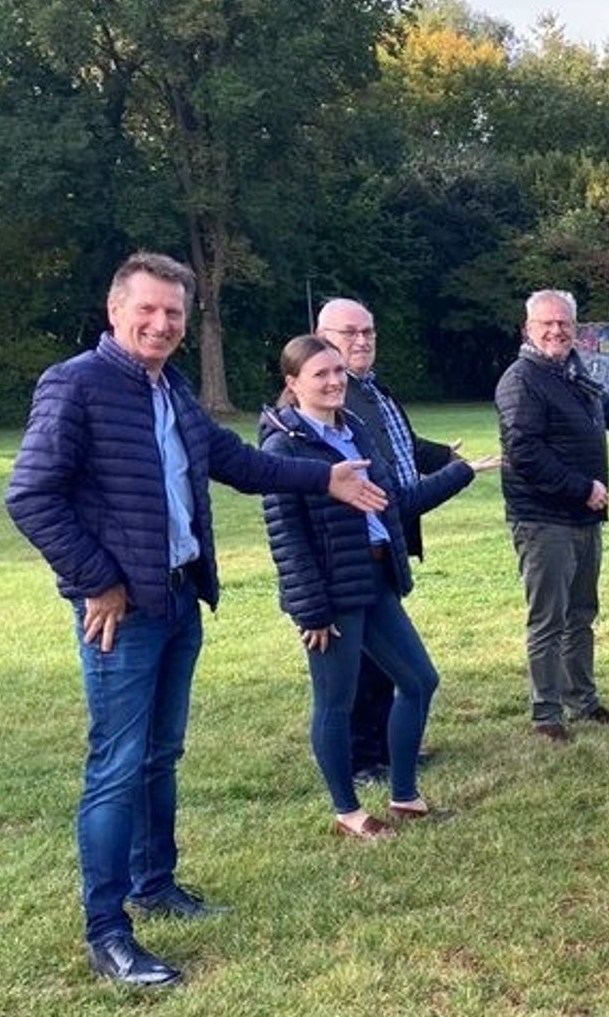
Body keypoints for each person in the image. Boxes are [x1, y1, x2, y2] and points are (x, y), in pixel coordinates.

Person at [6, 253, 388, 988]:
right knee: (116, 766)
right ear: (116, 310)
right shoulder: (75, 385)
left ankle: (157, 884)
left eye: (174, 313)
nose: (161, 323)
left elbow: (243, 464)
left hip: (180, 598)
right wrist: (98, 580)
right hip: (124, 613)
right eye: (147, 309)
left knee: (160, 754)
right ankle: (109, 930)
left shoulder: (173, 389)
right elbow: (30, 496)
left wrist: (326, 475)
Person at [259, 335, 497, 840]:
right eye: (319, 374)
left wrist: (460, 473)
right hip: (331, 593)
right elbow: (287, 538)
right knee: (336, 700)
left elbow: (394, 504)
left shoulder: (358, 431)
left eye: (338, 372)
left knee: (418, 681)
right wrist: (311, 611)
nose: (332, 382)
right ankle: (347, 812)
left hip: (375, 576)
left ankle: (405, 797)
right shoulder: (285, 445)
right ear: (292, 383)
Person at [494, 289, 609, 742]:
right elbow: (524, 452)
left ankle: (583, 700)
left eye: (565, 324)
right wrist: (583, 488)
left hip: (582, 518)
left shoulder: (572, 372)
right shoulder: (522, 380)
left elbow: (604, 410)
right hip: (544, 521)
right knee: (549, 618)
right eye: (547, 324)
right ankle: (546, 715)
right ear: (528, 330)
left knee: (581, 613)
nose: (557, 331)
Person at [314, 298, 461, 785]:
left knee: (384, 663)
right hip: (350, 558)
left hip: (385, 544)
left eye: (368, 332)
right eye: (349, 333)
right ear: (322, 336)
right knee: (359, 663)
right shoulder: (333, 401)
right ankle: (363, 760)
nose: (361, 341)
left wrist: (445, 456)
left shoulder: (373, 391)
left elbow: (404, 446)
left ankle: (386, 746)